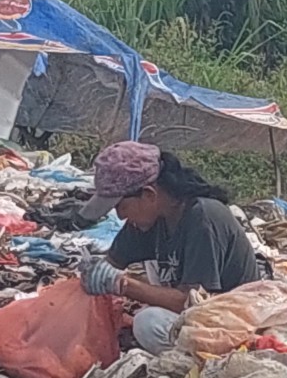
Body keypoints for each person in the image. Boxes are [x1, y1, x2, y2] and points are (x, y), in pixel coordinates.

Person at [77, 140, 263, 354]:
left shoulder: (203, 217)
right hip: (196, 315)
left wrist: (121, 284)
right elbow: (111, 263)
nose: (119, 215)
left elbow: (192, 302)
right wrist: (90, 275)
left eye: (120, 205)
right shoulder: (148, 221)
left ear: (149, 195)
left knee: (149, 322)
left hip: (234, 324)